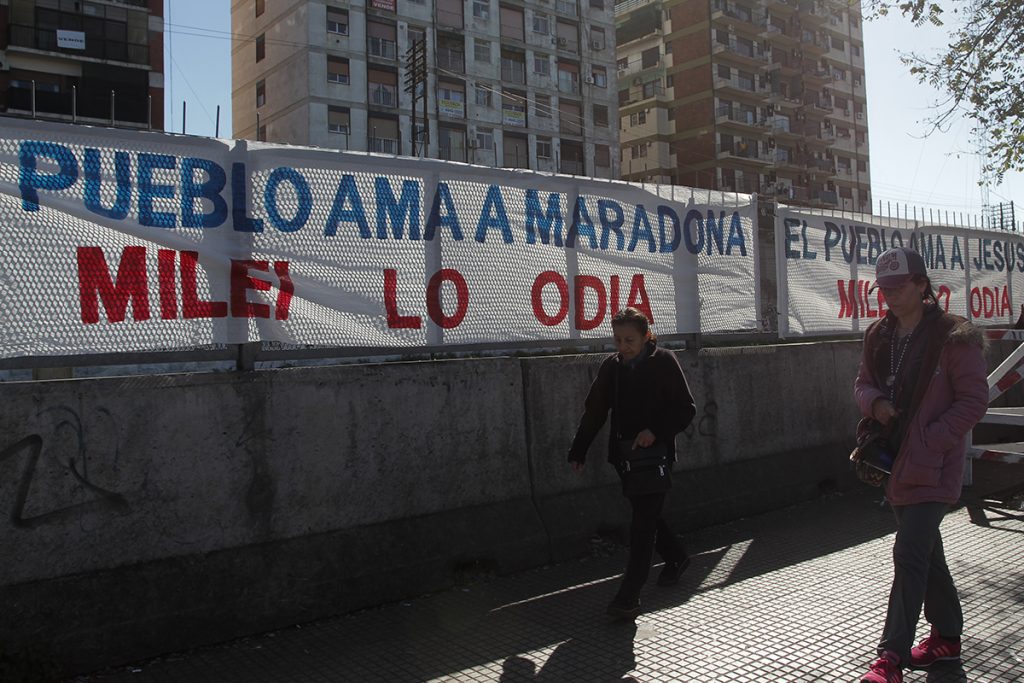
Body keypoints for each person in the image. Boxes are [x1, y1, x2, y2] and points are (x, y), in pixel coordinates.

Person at [852, 247, 989, 683]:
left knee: (909, 552)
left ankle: (890, 658)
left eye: (900, 285)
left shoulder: (954, 336)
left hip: (933, 466)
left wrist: (932, 440)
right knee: (927, 554)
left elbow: (974, 400)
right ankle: (946, 638)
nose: (891, 294)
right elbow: (862, 384)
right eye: (885, 287)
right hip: (895, 463)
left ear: (922, 284)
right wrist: (876, 404)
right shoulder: (878, 335)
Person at [568, 307, 696, 620]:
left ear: (646, 336)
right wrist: (579, 449)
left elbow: (686, 409)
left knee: (641, 525)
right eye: (618, 339)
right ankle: (676, 557)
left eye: (630, 340)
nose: (623, 346)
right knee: (645, 515)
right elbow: (596, 411)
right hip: (624, 458)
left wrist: (656, 431)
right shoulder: (611, 367)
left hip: (656, 457)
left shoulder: (664, 362)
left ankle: (629, 596)